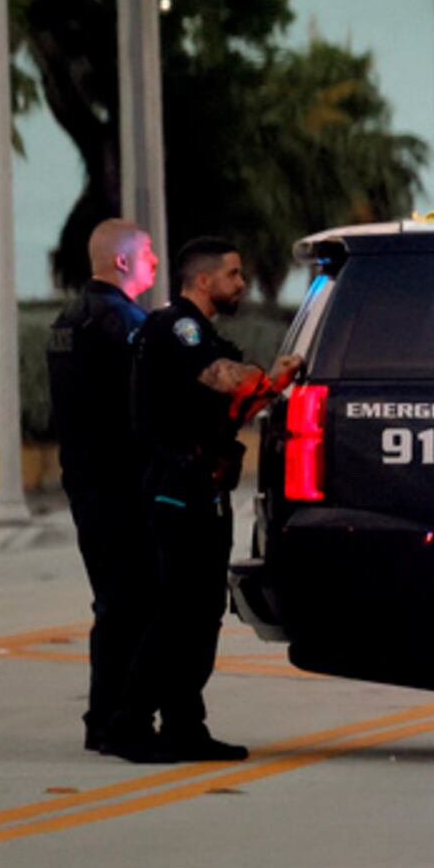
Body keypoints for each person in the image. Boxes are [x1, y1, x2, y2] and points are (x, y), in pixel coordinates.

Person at [110, 238, 295, 763]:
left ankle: (184, 725)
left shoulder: (200, 331)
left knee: (200, 611)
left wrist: (273, 383)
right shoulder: (179, 328)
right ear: (203, 280)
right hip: (177, 488)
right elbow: (226, 380)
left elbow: (238, 401)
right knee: (179, 611)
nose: (241, 283)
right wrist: (276, 374)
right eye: (234, 274)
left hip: (202, 487)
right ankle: (131, 723)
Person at [46, 219, 157, 754]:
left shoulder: (68, 320)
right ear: (122, 261)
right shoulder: (122, 323)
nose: (154, 262)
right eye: (148, 253)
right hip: (121, 483)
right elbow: (144, 402)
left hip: (87, 480)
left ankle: (104, 717)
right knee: (132, 603)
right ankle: (118, 721)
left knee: (114, 601)